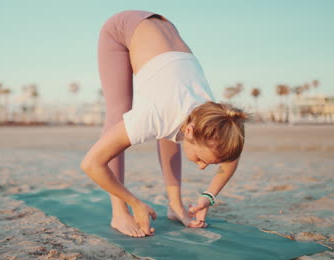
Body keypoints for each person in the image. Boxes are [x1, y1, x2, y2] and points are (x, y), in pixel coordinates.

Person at [80, 10, 248, 238]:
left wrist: (208, 196)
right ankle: (118, 212)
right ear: (191, 131)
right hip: (121, 29)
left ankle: (175, 205)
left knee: (170, 126)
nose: (200, 167)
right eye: (201, 159)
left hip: (162, 29)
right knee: (118, 113)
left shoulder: (218, 121)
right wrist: (134, 202)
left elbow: (230, 161)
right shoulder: (154, 114)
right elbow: (91, 163)